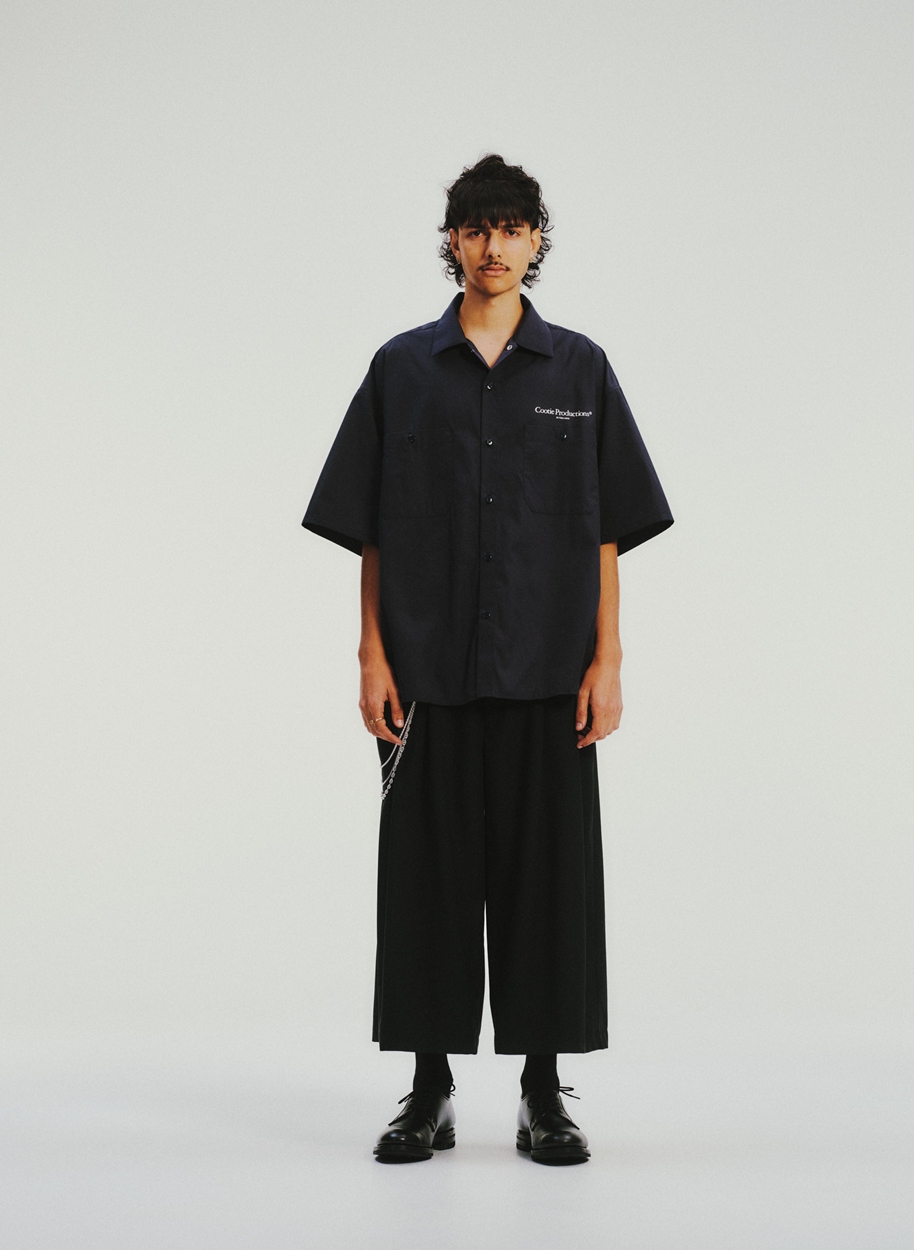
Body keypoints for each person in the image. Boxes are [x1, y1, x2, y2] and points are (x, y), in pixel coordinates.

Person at [302, 153, 673, 1165]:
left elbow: (606, 528)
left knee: (548, 884)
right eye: (476, 228)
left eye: (512, 228)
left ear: (536, 241)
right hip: (426, 671)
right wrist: (371, 655)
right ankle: (427, 1089)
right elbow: (371, 526)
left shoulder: (580, 370)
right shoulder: (401, 369)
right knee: (425, 884)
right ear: (453, 242)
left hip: (550, 668)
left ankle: (543, 1092)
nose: (494, 246)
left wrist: (609, 658)